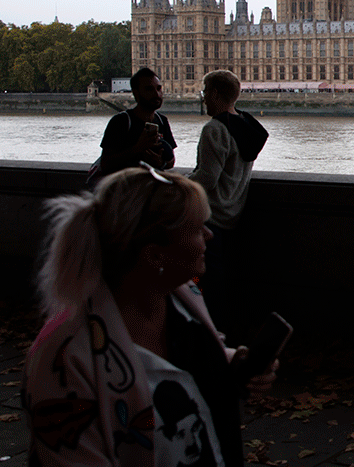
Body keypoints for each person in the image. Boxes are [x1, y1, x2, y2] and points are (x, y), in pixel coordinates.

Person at [22, 166, 278, 467]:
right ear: (155, 255)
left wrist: (232, 362)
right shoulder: (65, 357)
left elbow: (179, 366)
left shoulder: (181, 296)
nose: (209, 235)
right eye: (197, 228)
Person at [189, 70, 268, 331]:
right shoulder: (247, 124)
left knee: (208, 287)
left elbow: (207, 178)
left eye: (205, 93)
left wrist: (178, 186)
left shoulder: (215, 129)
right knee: (230, 284)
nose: (203, 100)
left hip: (212, 217)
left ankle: (212, 339)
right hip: (236, 213)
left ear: (213, 94)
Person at [97, 67, 176, 177]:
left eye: (158, 88)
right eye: (149, 89)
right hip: (126, 188)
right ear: (136, 93)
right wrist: (137, 148)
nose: (157, 94)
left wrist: (160, 163)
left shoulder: (162, 121)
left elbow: (171, 161)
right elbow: (105, 164)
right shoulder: (121, 122)